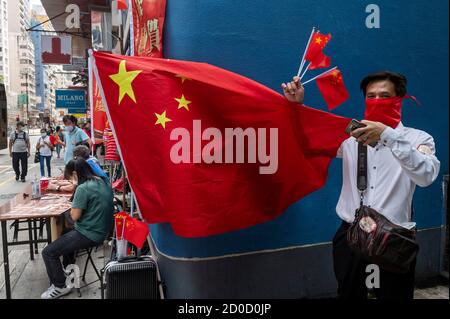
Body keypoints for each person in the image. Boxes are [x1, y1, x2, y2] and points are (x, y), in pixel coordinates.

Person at [282, 71, 440, 300]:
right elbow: (308, 142)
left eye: (384, 96)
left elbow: (426, 176)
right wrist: (295, 108)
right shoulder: (350, 138)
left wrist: (387, 135)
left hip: (393, 239)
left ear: (399, 99)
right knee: (349, 294)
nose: (376, 101)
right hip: (351, 236)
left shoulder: (418, 139)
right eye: (370, 96)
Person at [41, 158, 114, 299]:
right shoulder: (101, 181)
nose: (72, 180)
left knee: (49, 252)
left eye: (72, 177)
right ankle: (67, 271)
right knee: (64, 234)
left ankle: (59, 286)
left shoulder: (83, 188)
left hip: (89, 233)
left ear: (75, 174)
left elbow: (74, 216)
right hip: (101, 231)